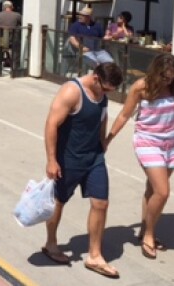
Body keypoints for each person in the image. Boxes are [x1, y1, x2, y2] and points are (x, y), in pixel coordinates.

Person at [105, 54, 174, 260]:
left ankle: (145, 228)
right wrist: (108, 139)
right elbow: (124, 115)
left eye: (172, 77)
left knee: (152, 190)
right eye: (165, 77)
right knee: (163, 192)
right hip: (148, 141)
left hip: (171, 143)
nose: (168, 81)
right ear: (156, 72)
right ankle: (149, 234)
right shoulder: (141, 87)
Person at [42, 62, 124, 279]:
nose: (107, 93)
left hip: (94, 157)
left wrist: (103, 141)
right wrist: (52, 160)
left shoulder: (102, 94)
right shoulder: (71, 91)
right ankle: (51, 244)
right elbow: (51, 124)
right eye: (106, 89)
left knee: (101, 203)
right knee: (58, 202)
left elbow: (102, 115)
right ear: (96, 78)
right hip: (68, 159)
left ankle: (95, 255)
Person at [0, 0, 22, 67]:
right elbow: (21, 24)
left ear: (3, 7)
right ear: (11, 7)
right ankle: (15, 64)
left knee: (2, 43)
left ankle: (0, 62)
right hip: (13, 41)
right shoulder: (17, 15)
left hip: (1, 41)